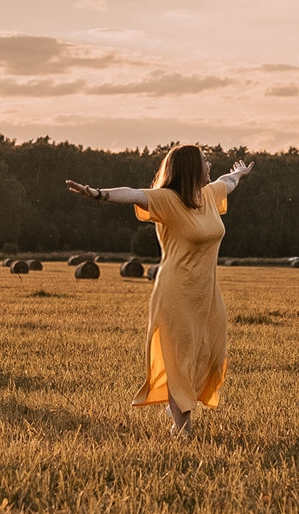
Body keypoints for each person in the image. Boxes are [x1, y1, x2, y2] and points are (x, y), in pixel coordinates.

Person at [65, 146, 252, 438]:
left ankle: (176, 403)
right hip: (176, 292)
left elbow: (228, 182)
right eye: (204, 160)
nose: (209, 163)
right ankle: (182, 428)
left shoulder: (210, 196)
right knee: (179, 359)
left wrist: (239, 173)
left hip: (206, 293)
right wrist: (97, 193)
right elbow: (134, 193)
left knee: (213, 355)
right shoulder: (167, 200)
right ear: (191, 168)